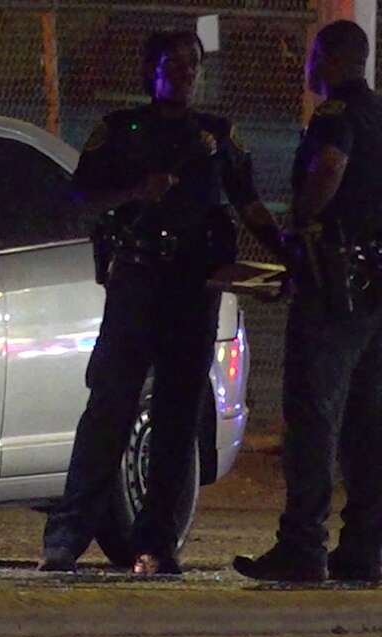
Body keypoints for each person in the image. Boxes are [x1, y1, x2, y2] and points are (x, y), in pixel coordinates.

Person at [38, 30, 283, 575]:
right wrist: (136, 191)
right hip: (137, 283)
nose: (185, 72)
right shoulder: (123, 131)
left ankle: (158, 544)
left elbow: (249, 205)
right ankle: (66, 537)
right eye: (174, 63)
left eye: (193, 63)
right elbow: (80, 196)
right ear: (151, 69)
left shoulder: (217, 137)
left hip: (193, 291)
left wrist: (287, 255)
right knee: (110, 410)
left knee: (176, 420)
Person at [234, 20, 382, 583]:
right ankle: (366, 547)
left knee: (314, 415)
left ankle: (303, 545)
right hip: (374, 290)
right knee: (368, 420)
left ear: (330, 58)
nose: (308, 65)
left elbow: (329, 166)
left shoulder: (335, 117)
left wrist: (300, 220)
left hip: (335, 290)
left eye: (313, 55)